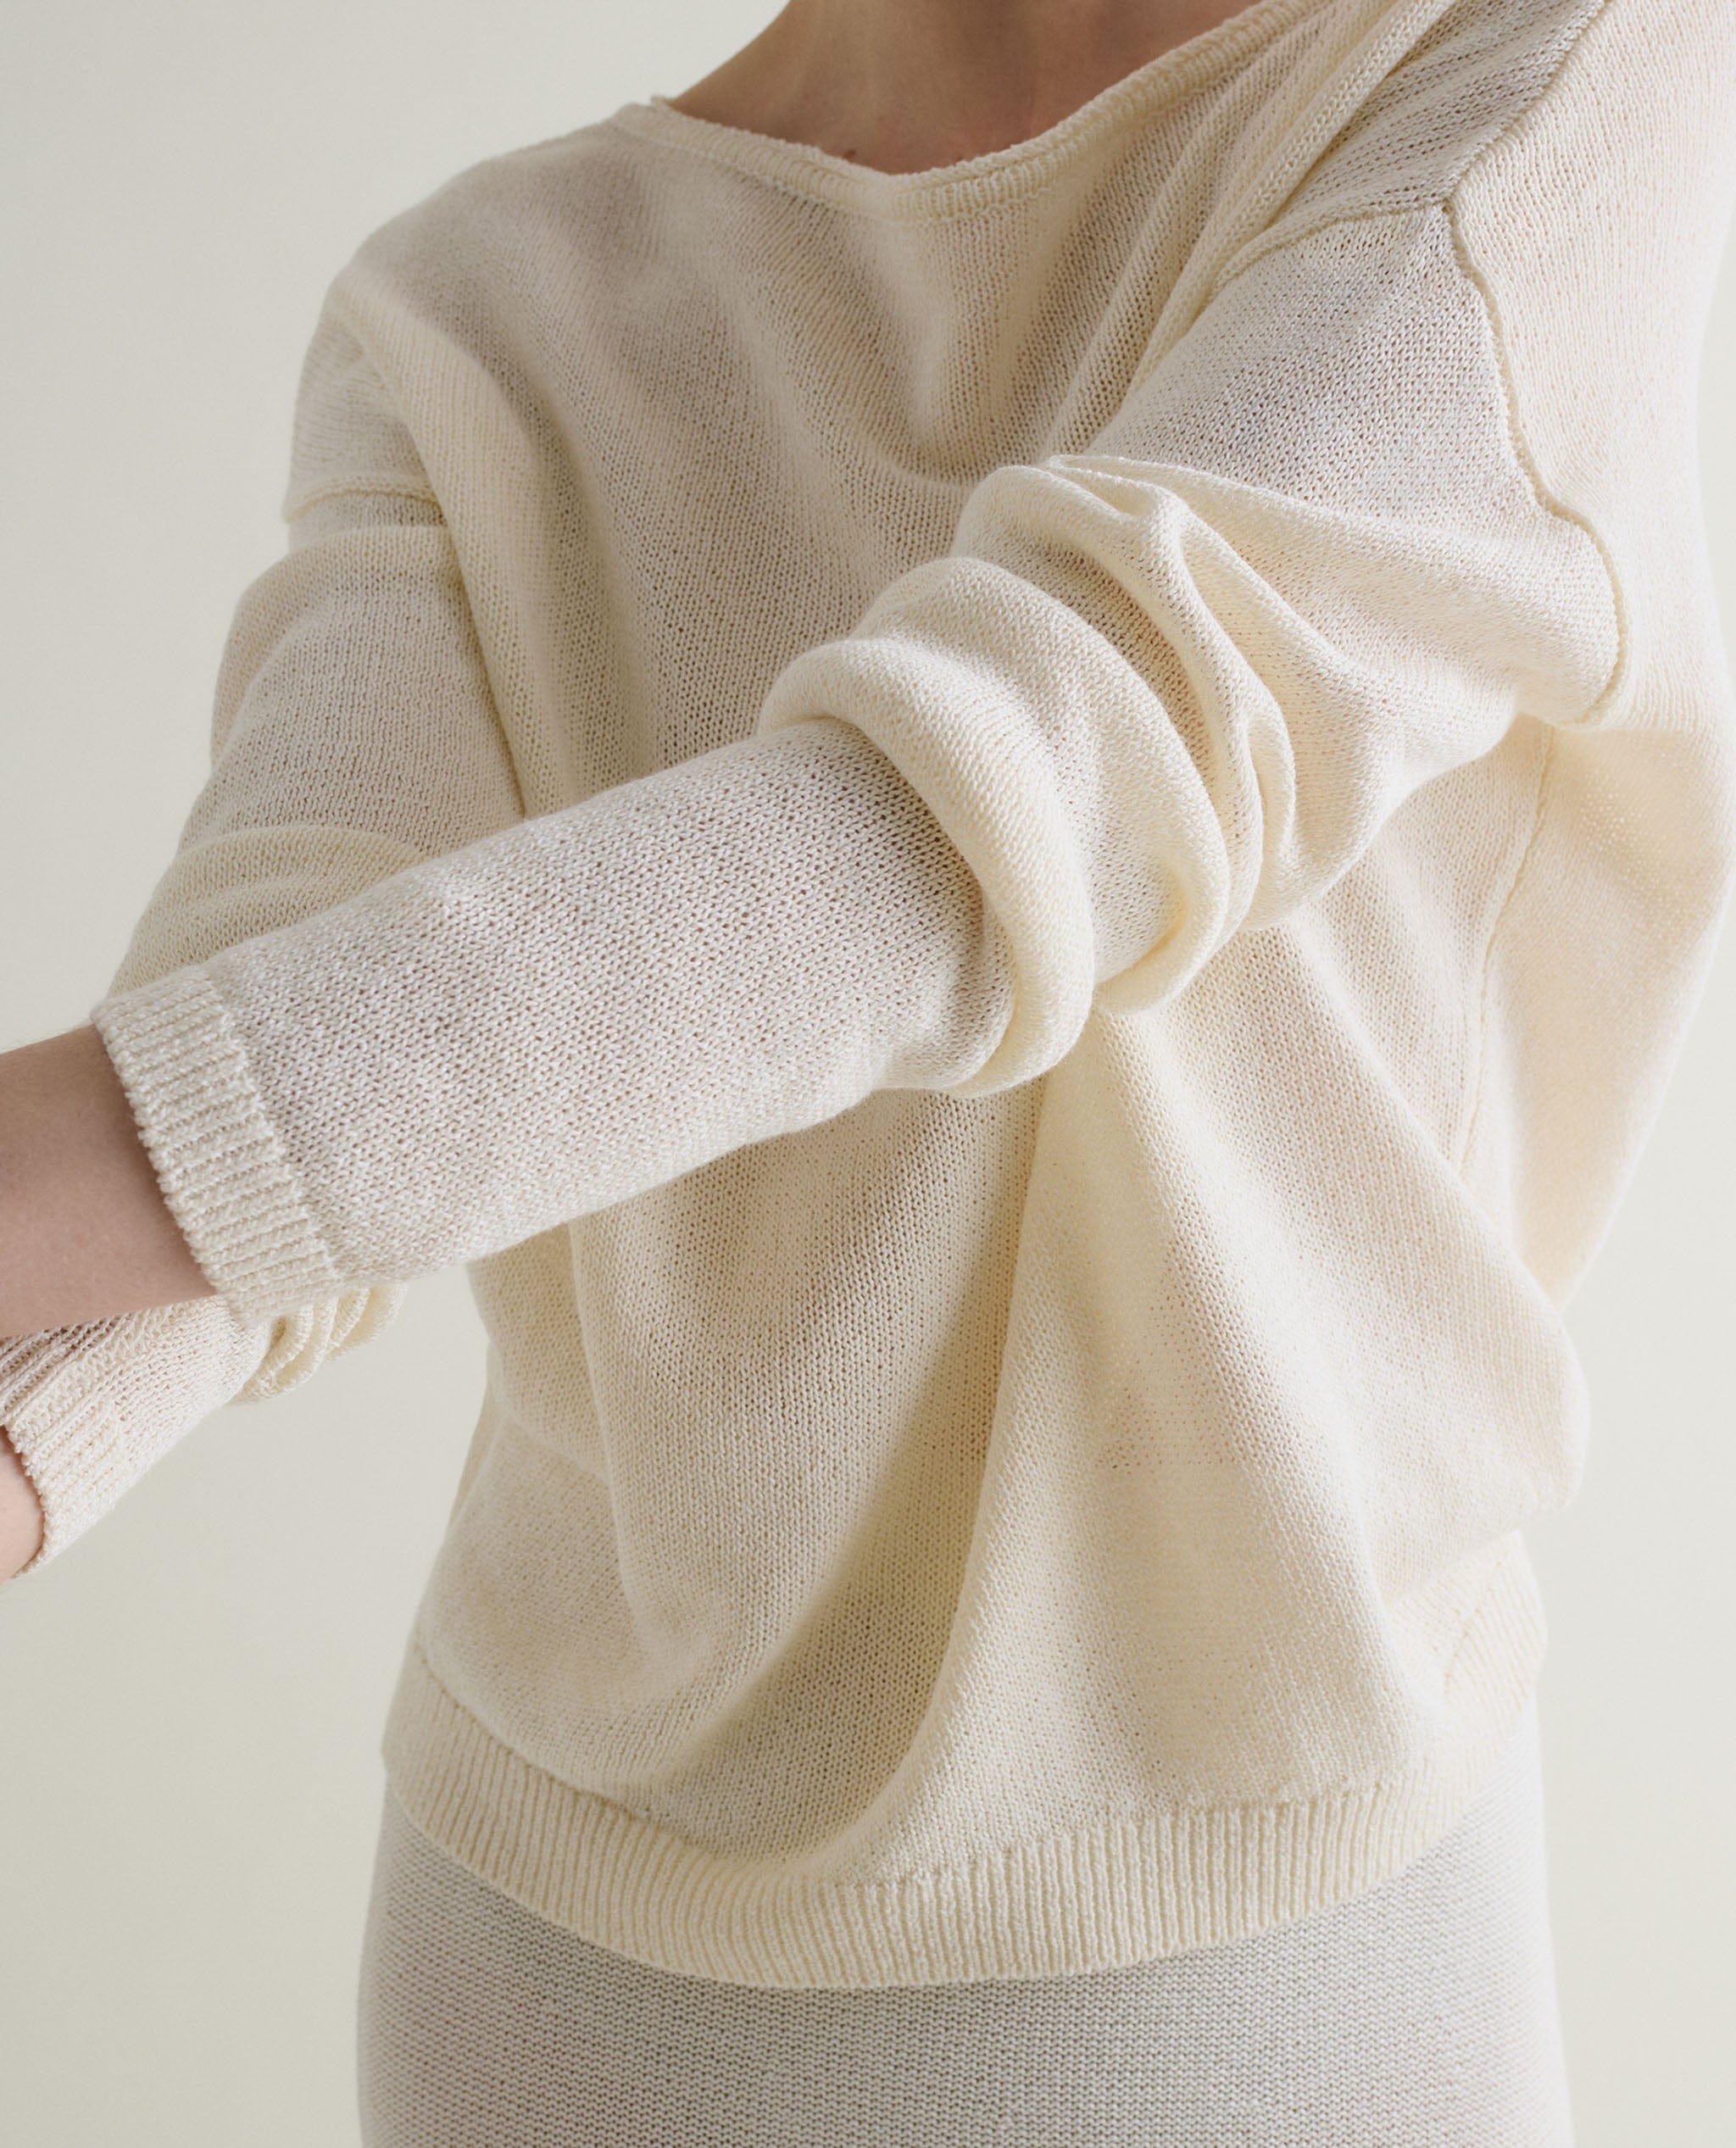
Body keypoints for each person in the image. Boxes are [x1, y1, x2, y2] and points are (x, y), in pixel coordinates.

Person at [3, 0, 1733, 2138]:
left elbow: (1041, 784)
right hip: (547, 1969)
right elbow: (293, 999)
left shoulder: (1533, 68)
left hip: (1257, 1973)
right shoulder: (476, 298)